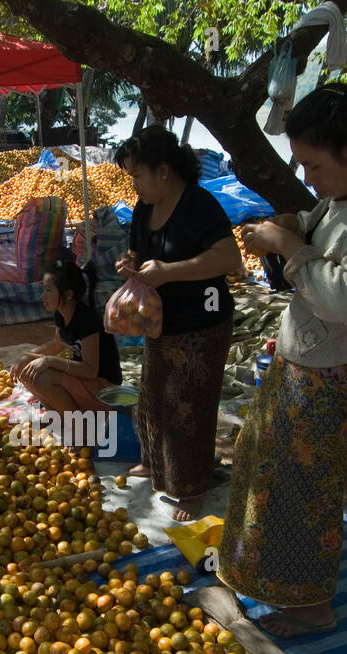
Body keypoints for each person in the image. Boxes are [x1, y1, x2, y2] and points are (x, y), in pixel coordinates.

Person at [220, 71, 347, 638]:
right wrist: (291, 225)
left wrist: (289, 245)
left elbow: (345, 296)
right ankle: (259, 577)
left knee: (303, 494)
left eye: (312, 166)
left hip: (327, 376)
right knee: (267, 472)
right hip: (297, 365)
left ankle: (310, 605)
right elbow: (317, 229)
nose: (309, 180)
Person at [114, 126, 243, 521]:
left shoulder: (198, 204)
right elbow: (138, 250)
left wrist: (171, 271)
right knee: (153, 394)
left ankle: (191, 486)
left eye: (138, 175)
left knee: (187, 405)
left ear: (164, 171)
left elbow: (228, 259)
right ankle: (155, 465)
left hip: (202, 323)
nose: (134, 184)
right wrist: (130, 265)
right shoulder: (143, 208)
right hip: (161, 322)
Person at [11, 257, 121, 415]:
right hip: (85, 382)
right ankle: (55, 412)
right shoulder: (61, 314)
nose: (43, 296)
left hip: (104, 389)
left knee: (44, 378)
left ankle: (80, 426)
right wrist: (27, 356)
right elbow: (56, 345)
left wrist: (48, 361)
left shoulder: (86, 321)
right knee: (25, 366)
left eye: (48, 290)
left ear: (68, 294)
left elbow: (90, 370)